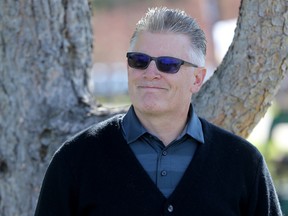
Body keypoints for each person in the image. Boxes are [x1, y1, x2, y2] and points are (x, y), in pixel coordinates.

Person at [34, 7, 283, 216]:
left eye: (168, 64)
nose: (150, 73)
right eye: (139, 60)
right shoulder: (75, 160)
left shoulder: (243, 164)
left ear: (197, 79)